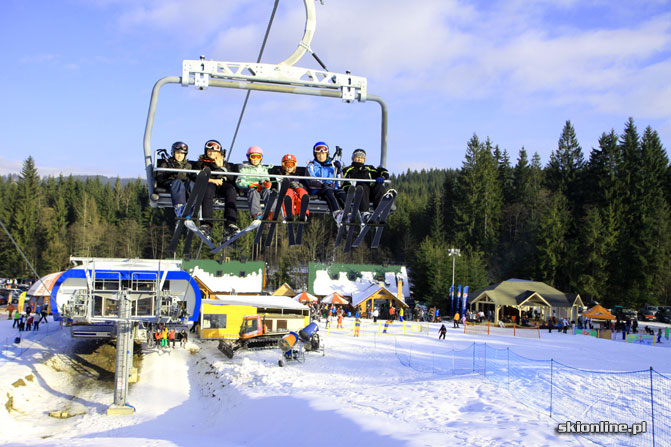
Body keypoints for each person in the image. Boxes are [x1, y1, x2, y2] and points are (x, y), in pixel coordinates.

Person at [195, 140, 239, 240]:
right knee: (208, 190)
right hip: (209, 184)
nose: (212, 153)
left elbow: (232, 178)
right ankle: (207, 224)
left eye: (214, 152)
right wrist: (213, 180)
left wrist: (221, 167)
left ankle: (230, 224)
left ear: (219, 153)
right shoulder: (201, 163)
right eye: (209, 151)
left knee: (231, 190)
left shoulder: (225, 164)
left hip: (223, 185)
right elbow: (197, 176)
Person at [342, 148, 389, 221]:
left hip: (369, 193)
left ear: (364, 159)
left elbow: (383, 171)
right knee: (363, 186)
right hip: (357, 193)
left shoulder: (369, 168)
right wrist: (349, 189)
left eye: (362, 158)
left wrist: (382, 177)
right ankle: (365, 213)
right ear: (353, 158)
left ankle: (379, 211)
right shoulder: (348, 169)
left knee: (379, 187)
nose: (359, 159)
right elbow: (344, 180)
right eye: (357, 157)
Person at [306, 141, 346, 221]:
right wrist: (322, 184)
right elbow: (310, 180)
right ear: (315, 155)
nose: (321, 156)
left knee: (341, 193)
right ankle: (337, 214)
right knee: (328, 191)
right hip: (319, 190)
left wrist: (339, 171)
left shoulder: (332, 165)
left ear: (327, 154)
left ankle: (348, 213)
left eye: (323, 154)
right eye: (319, 154)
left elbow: (341, 183)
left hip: (333, 189)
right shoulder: (312, 166)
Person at [155, 141, 194, 218]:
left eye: (182, 154)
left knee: (191, 184)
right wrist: (170, 174)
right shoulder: (166, 164)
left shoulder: (189, 165)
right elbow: (160, 177)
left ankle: (192, 206)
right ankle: (179, 207)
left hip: (184, 184)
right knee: (177, 183)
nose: (180, 156)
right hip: (171, 183)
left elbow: (192, 177)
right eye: (177, 153)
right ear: (173, 153)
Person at [236, 146, 274, 220]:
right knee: (253, 192)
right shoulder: (244, 169)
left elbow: (265, 179)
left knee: (268, 192)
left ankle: (271, 212)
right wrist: (249, 185)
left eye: (258, 157)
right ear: (249, 157)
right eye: (253, 157)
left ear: (261, 158)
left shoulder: (262, 169)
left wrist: (266, 183)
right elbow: (239, 181)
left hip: (261, 188)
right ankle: (257, 214)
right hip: (250, 189)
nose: (256, 159)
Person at [270, 154, 309, 218]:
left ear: (295, 165)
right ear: (283, 165)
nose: (289, 167)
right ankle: (288, 214)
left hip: (297, 194)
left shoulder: (298, 175)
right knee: (288, 192)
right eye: (287, 164)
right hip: (288, 193)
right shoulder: (280, 174)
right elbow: (275, 185)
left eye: (292, 164)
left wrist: (299, 186)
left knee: (302, 192)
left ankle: (303, 213)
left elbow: (305, 186)